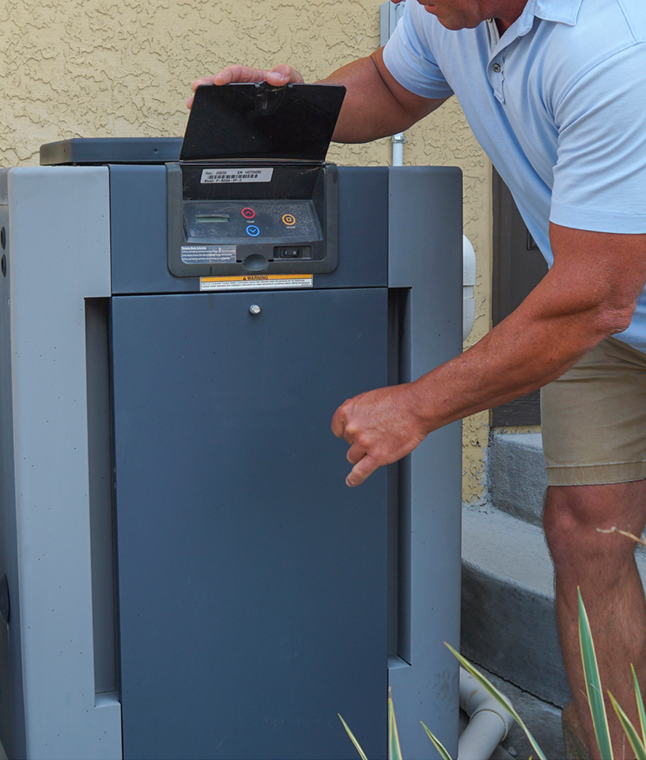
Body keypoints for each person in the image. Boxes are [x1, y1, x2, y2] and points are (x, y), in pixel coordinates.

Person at [190, 0, 646, 756]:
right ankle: (617, 745)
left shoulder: (610, 46)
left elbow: (595, 295)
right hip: (608, 309)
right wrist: (290, 112)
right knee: (583, 529)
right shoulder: (451, 14)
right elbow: (389, 84)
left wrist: (417, 406)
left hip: (600, 295)